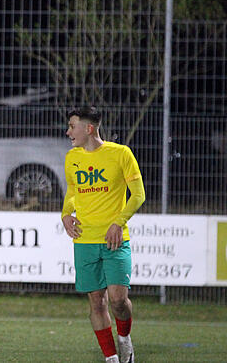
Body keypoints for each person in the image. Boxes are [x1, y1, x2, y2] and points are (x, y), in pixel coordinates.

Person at [62, 107, 144, 363]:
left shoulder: (120, 154)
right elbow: (73, 191)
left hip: (115, 240)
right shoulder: (72, 158)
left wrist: (118, 223)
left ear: (89, 129)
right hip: (84, 241)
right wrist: (66, 214)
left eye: (72, 126)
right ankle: (111, 358)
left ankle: (124, 339)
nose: (68, 132)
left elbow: (138, 194)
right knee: (97, 302)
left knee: (119, 300)